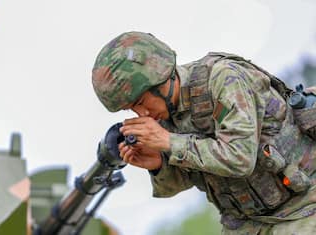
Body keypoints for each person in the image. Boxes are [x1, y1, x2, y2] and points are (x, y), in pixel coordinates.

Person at [91, 31, 316, 234]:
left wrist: (168, 141)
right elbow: (181, 181)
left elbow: (240, 158)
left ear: (160, 80)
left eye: (140, 102)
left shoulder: (224, 79)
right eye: (131, 108)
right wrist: (158, 164)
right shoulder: (165, 114)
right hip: (246, 223)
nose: (141, 113)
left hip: (302, 206)